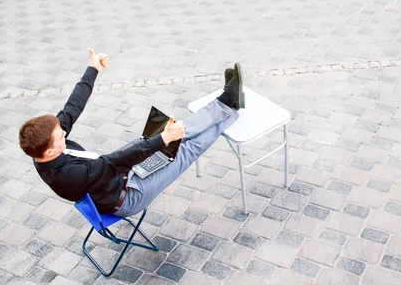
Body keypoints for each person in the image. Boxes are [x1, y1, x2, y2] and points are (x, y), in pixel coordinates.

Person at [19, 48, 244, 217]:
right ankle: (230, 108)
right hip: (128, 196)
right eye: (60, 136)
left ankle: (225, 103)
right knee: (184, 151)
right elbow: (115, 161)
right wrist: (162, 139)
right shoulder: (68, 176)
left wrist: (93, 69)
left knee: (171, 137)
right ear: (49, 152)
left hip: (114, 176)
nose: (64, 133)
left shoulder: (45, 145)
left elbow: (72, 106)